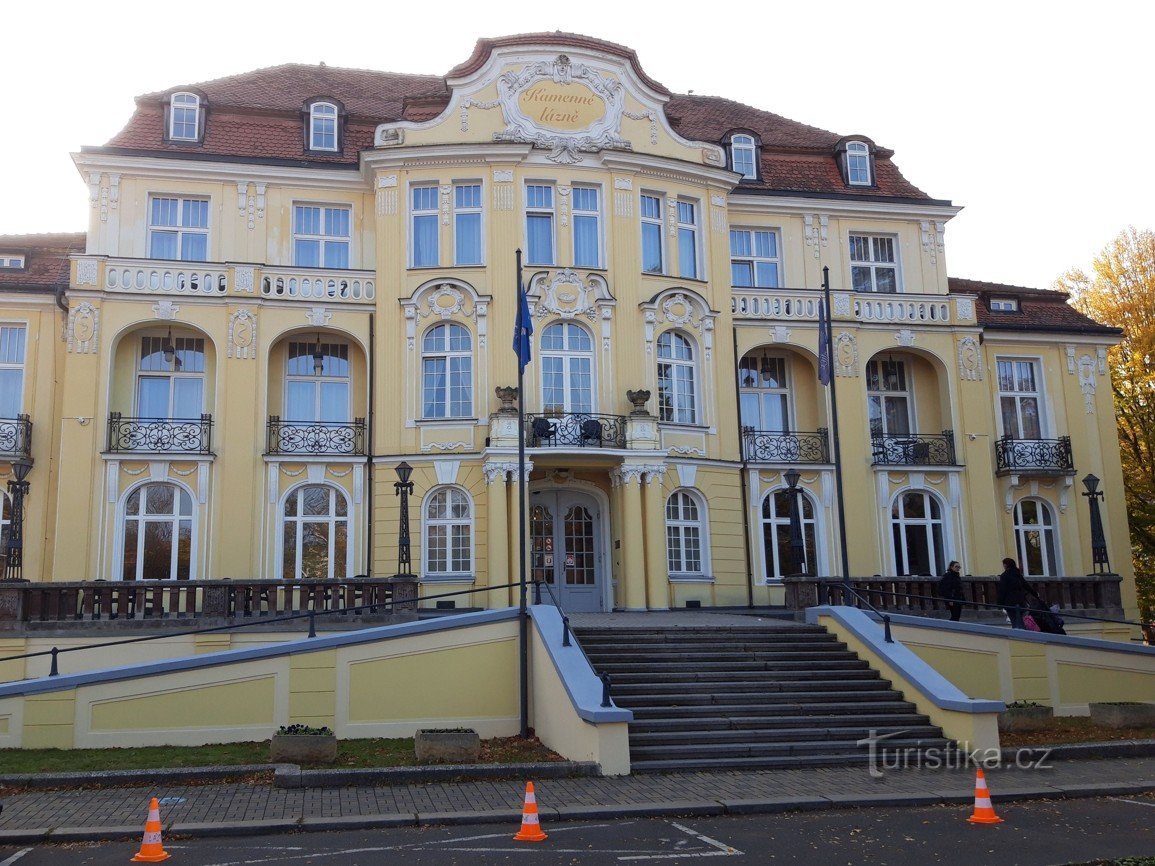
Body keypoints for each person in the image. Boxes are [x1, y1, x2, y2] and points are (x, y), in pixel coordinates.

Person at [997, 557, 1039, 629]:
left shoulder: (1004, 576)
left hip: (1010, 602)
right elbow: (1026, 586)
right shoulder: (1018, 574)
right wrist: (1035, 594)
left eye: (1004, 564)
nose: (1003, 566)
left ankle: (1018, 635)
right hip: (1021, 602)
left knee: (1014, 622)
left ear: (1006, 565)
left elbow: (1002, 590)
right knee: (1021, 621)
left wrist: (1000, 603)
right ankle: (1023, 633)